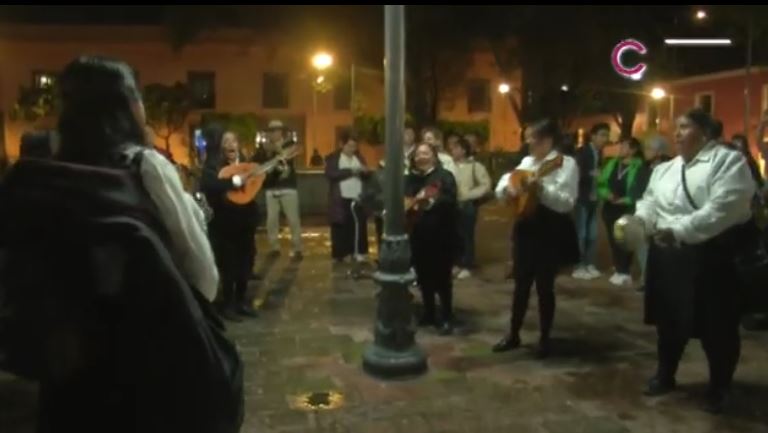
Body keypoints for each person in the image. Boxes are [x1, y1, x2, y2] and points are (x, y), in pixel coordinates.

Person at [0, 55, 240, 433]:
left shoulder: (37, 175)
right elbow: (204, 278)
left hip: (67, 377)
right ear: (129, 105)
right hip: (145, 371)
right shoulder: (145, 166)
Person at [632, 108, 755, 413]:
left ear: (705, 132)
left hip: (711, 256)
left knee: (717, 327)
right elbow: (649, 200)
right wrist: (641, 222)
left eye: (684, 127)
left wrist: (679, 230)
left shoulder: (728, 162)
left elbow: (723, 209)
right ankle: (665, 374)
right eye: (676, 128)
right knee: (669, 322)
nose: (676, 133)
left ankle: (719, 386)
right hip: (668, 257)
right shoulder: (666, 169)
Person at [492, 119, 580, 358]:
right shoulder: (527, 162)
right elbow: (505, 183)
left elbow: (566, 202)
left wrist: (541, 189)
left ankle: (544, 337)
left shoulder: (565, 164)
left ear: (549, 140)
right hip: (526, 228)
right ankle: (513, 333)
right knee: (520, 284)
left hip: (549, 229)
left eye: (534, 138)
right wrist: (508, 191)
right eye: (528, 137)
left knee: (544, 287)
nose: (529, 142)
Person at [200, 125, 260, 322]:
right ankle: (228, 305)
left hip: (246, 221)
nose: (230, 145)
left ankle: (242, 302)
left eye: (233, 141)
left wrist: (277, 171)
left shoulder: (247, 164)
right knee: (229, 265)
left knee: (246, 262)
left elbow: (259, 181)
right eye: (226, 142)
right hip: (225, 223)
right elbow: (209, 184)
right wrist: (234, 181)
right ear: (220, 147)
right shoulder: (213, 165)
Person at [406, 142, 458, 335]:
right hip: (418, 234)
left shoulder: (445, 177)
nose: (421, 157)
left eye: (425, 153)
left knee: (442, 277)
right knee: (423, 275)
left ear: (434, 156)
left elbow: (451, 200)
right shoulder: (410, 179)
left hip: (441, 234)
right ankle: (428, 312)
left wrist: (430, 201)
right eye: (418, 154)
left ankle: (446, 315)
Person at [597, 137, 649, 286]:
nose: (621, 149)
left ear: (633, 150)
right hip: (610, 207)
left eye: (625, 146)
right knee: (613, 239)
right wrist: (607, 194)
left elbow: (639, 190)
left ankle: (624, 270)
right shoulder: (612, 163)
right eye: (621, 146)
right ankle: (619, 268)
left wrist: (625, 200)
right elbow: (601, 182)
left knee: (624, 239)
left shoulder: (639, 168)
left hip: (627, 208)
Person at [255, 119, 303, 260]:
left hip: (288, 187)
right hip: (271, 188)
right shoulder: (263, 148)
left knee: (293, 220)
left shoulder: (290, 144)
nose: (272, 134)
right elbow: (258, 164)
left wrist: (277, 149)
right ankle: (274, 247)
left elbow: (294, 151)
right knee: (271, 221)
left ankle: (297, 248)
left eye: (275, 131)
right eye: (270, 131)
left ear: (281, 132)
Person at [324, 129, 370, 263]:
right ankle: (341, 254)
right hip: (341, 198)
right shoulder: (334, 158)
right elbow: (331, 174)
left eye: (354, 146)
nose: (352, 149)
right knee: (341, 226)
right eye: (349, 146)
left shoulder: (359, 158)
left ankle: (359, 251)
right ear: (342, 145)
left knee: (358, 225)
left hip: (357, 197)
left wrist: (364, 172)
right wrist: (351, 171)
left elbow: (366, 174)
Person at [450, 136, 491, 279]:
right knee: (453, 235)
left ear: (463, 150)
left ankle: (467, 264)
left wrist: (469, 195)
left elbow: (485, 185)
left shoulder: (475, 166)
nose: (453, 151)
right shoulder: (450, 165)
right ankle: (456, 263)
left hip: (467, 205)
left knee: (466, 235)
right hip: (451, 204)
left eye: (456, 148)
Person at [572, 122, 610, 280]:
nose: (605, 139)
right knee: (581, 233)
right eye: (602, 135)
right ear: (593, 136)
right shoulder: (582, 152)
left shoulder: (600, 154)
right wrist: (591, 174)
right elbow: (575, 174)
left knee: (593, 234)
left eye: (606, 136)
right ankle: (579, 265)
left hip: (594, 199)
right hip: (582, 198)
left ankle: (590, 264)